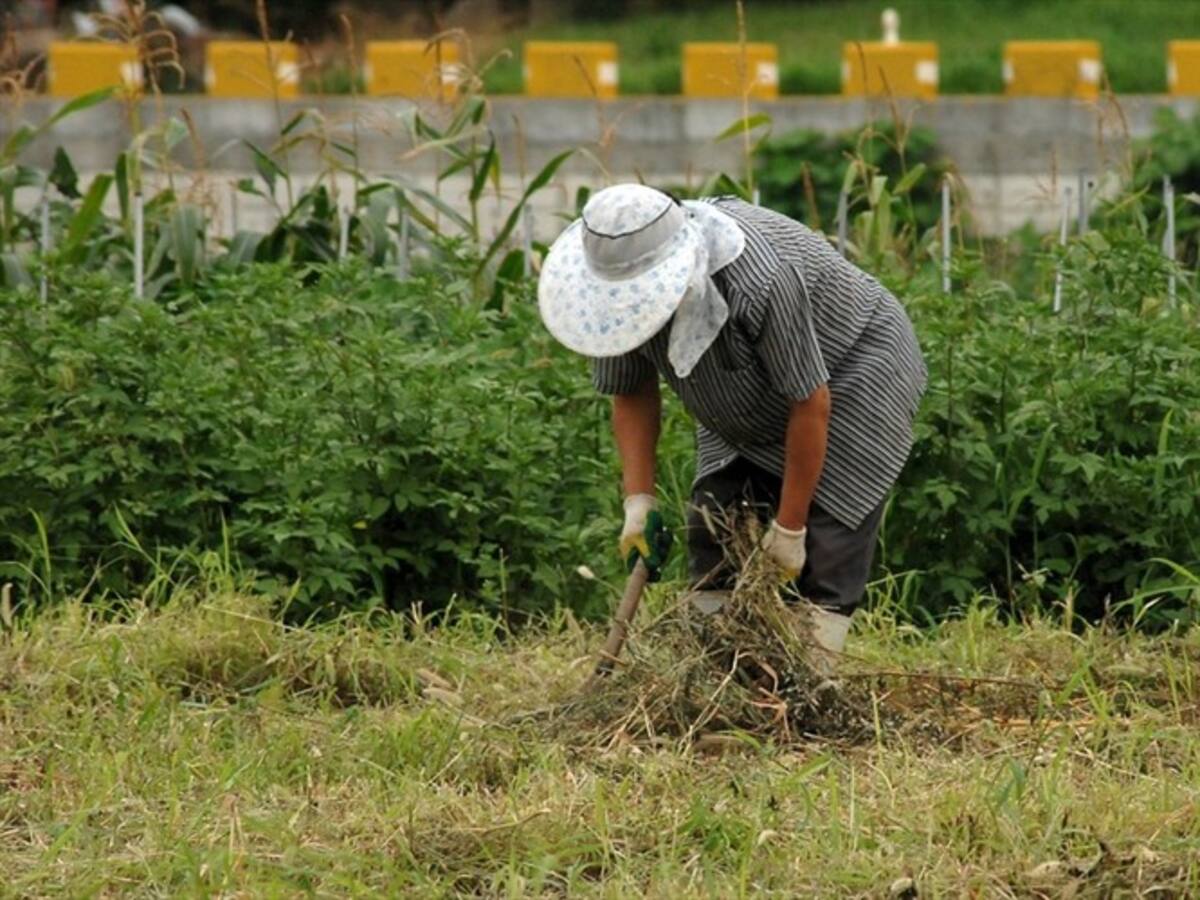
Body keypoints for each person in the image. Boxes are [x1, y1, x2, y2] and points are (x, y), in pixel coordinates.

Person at [537, 183, 926, 670]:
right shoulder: (613, 297)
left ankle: (808, 690)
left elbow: (809, 401)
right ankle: (719, 679)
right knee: (713, 523)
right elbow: (631, 392)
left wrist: (789, 528)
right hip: (741, 389)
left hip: (852, 370)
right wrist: (638, 504)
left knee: (826, 546)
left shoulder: (759, 279)